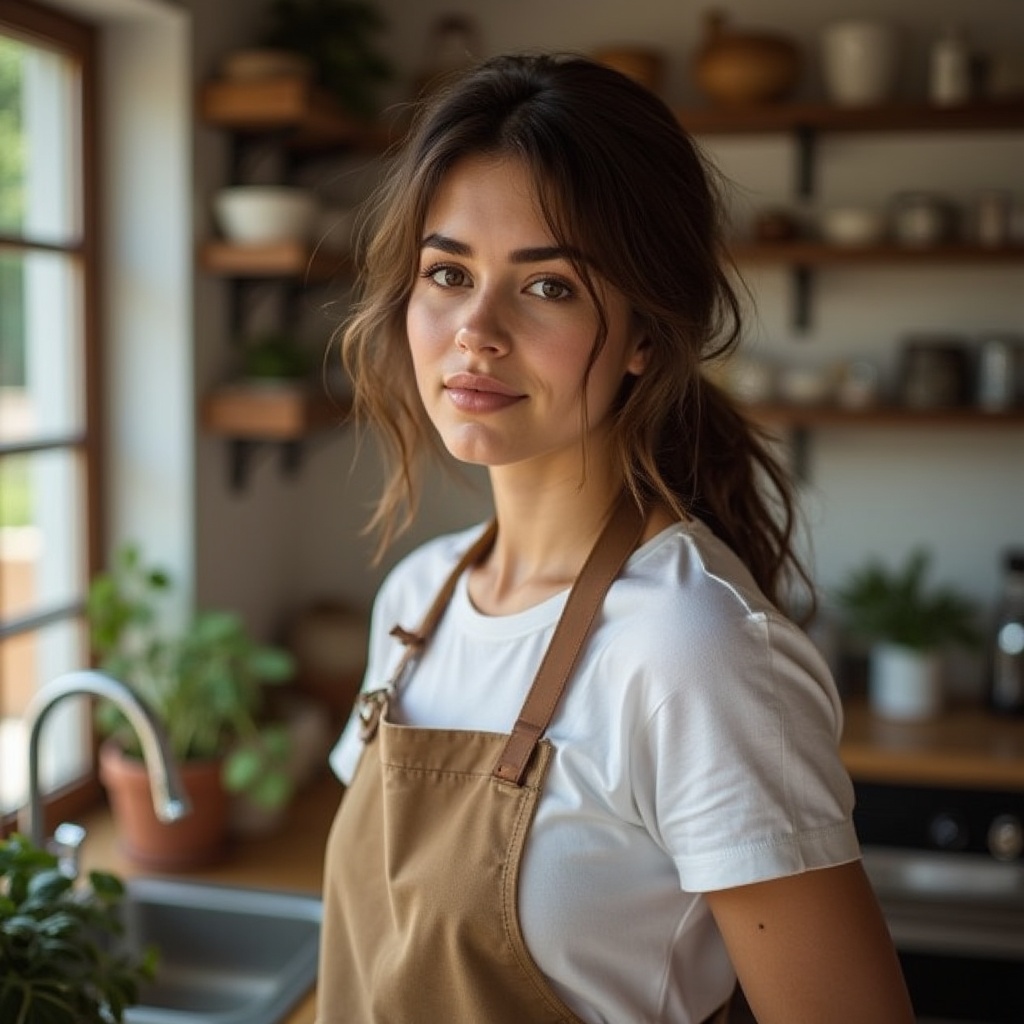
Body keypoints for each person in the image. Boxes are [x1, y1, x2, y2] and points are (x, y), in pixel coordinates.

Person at [316, 53, 915, 1024]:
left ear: (644, 334)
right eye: (447, 272)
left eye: (546, 286)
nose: (475, 329)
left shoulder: (690, 648)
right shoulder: (416, 600)